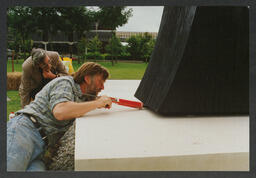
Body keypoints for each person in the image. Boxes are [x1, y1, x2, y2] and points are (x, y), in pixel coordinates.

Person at [7, 62, 112, 171]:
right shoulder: (65, 83)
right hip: (25, 131)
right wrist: (97, 103)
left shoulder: (81, 98)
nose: (102, 87)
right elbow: (60, 111)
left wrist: (98, 101)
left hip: (41, 148)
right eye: (100, 81)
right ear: (87, 79)